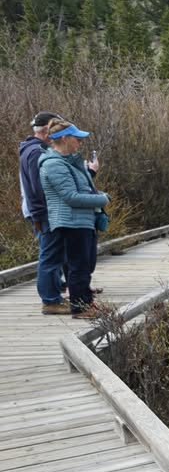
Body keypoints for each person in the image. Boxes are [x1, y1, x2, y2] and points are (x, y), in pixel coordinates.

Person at [38, 118, 109, 319]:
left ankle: (86, 304)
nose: (80, 142)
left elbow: (78, 190)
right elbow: (71, 197)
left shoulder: (67, 162)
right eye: (77, 138)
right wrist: (101, 199)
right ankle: (80, 308)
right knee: (78, 266)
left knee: (83, 266)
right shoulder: (54, 164)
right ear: (65, 139)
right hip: (71, 222)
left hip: (80, 221)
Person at [18, 111, 67, 314]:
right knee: (49, 255)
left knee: (54, 254)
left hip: (43, 212)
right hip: (44, 213)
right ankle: (50, 300)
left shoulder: (34, 149)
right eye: (55, 126)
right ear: (46, 130)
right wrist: (40, 216)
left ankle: (55, 293)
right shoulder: (36, 152)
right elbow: (37, 191)